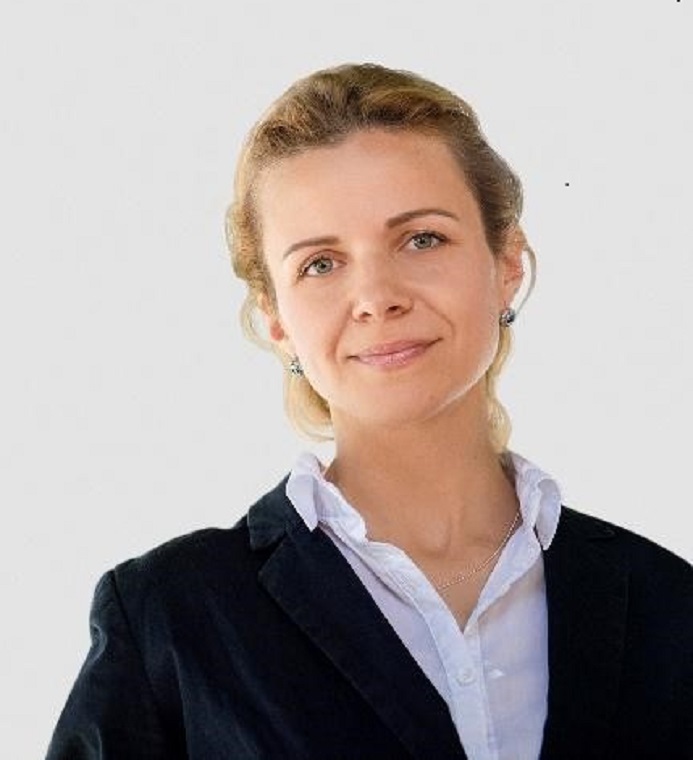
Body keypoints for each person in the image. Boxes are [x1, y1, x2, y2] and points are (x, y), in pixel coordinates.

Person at [46, 62, 692, 760]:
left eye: (422, 239)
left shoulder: (667, 607)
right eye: (320, 264)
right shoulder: (169, 620)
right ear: (275, 318)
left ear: (506, 262)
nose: (377, 296)